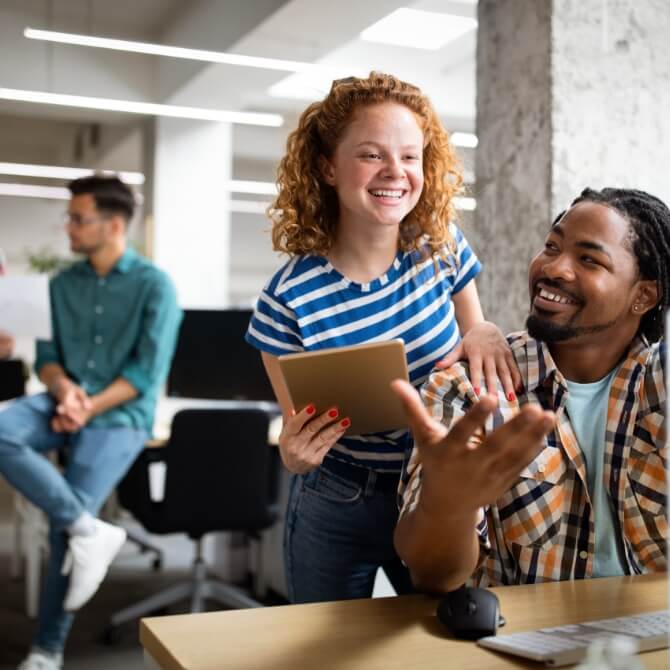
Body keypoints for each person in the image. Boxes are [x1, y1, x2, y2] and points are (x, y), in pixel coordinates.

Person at [245, 72, 521, 604]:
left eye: (410, 156)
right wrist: (296, 454)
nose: (395, 172)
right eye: (372, 155)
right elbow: (295, 432)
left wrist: (485, 331)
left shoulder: (441, 249)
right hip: (336, 495)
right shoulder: (287, 298)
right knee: (321, 649)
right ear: (327, 167)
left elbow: (473, 338)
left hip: (432, 488)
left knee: (444, 639)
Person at [394, 187, 668, 592]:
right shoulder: (469, 390)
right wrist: (446, 505)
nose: (554, 268)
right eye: (551, 246)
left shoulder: (659, 386)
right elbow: (433, 576)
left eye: (588, 258)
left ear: (643, 296)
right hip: (521, 639)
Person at [0, 175, 182, 670]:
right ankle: (88, 529)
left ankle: (46, 649)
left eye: (78, 219)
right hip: (63, 400)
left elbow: (145, 373)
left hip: (120, 413)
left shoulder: (154, 286)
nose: (69, 228)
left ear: (114, 224)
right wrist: (64, 390)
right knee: (5, 433)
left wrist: (88, 405)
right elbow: (48, 357)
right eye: (70, 218)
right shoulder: (61, 285)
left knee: (63, 522)